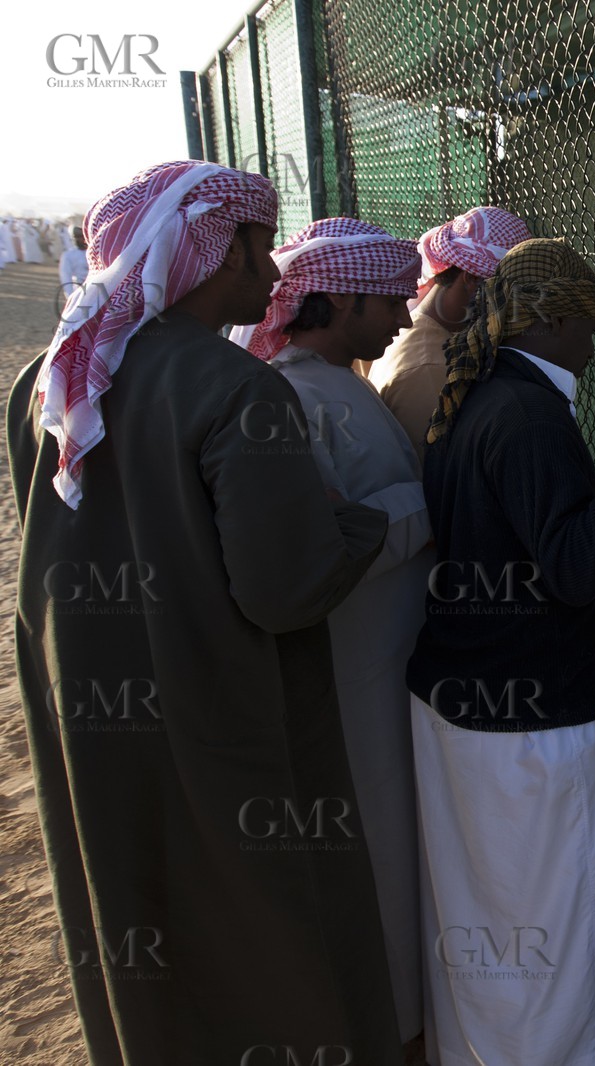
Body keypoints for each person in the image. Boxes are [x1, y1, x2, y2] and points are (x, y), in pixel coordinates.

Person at [6, 161, 402, 1063]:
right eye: (259, 250)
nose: (271, 281)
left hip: (90, 715)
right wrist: (361, 518)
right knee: (270, 941)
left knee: (130, 903)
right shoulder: (236, 389)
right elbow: (285, 587)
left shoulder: (49, 375)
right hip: (223, 718)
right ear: (208, 249)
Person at [406, 238, 595, 1066]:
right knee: (548, 924)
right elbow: (571, 568)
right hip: (520, 727)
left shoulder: (481, 395)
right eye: (590, 323)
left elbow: (526, 537)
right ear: (557, 317)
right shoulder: (529, 411)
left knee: (480, 915)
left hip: (456, 704)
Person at [232, 216, 433, 1045]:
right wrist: (442, 502)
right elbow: (327, 539)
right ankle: (390, 1023)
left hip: (387, 658)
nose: (400, 318)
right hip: (351, 670)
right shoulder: (294, 398)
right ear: (340, 297)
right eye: (389, 300)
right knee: (379, 843)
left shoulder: (336, 382)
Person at [358, 206, 533, 456]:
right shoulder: (432, 369)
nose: (514, 306)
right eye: (509, 292)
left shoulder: (423, 326)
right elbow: (440, 480)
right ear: (471, 279)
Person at [58, 225, 88, 300]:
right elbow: (66, 277)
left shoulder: (95, 253)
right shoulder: (68, 255)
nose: (81, 240)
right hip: (79, 290)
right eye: (77, 238)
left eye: (82, 237)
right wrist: (70, 296)